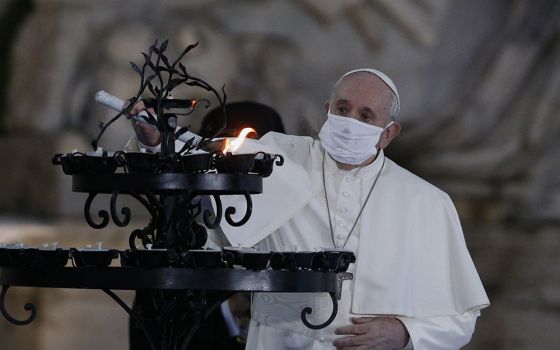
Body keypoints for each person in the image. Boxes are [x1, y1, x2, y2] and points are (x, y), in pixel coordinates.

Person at [128, 68, 490, 350]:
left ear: (389, 133)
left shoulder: (426, 203)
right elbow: (204, 157)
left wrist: (404, 333)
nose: (350, 123)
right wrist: (157, 142)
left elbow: (460, 317)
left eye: (366, 116)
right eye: (343, 109)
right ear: (327, 110)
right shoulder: (277, 160)